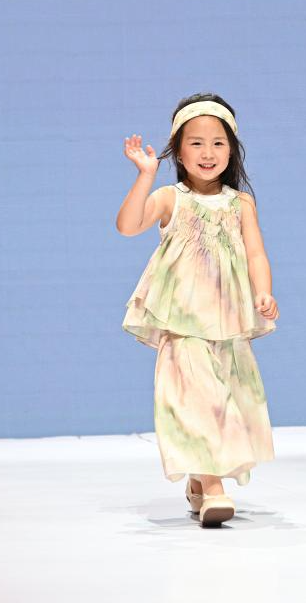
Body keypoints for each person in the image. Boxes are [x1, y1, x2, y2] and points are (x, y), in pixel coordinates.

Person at [116, 95, 279, 526]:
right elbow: (128, 226)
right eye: (196, 143)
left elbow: (256, 253)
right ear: (177, 150)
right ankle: (214, 487)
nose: (208, 153)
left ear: (232, 150)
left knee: (224, 402)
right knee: (200, 400)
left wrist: (263, 292)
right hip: (183, 322)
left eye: (218, 143)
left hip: (227, 323)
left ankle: (199, 480)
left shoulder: (240, 203)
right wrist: (145, 176)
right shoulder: (171, 199)